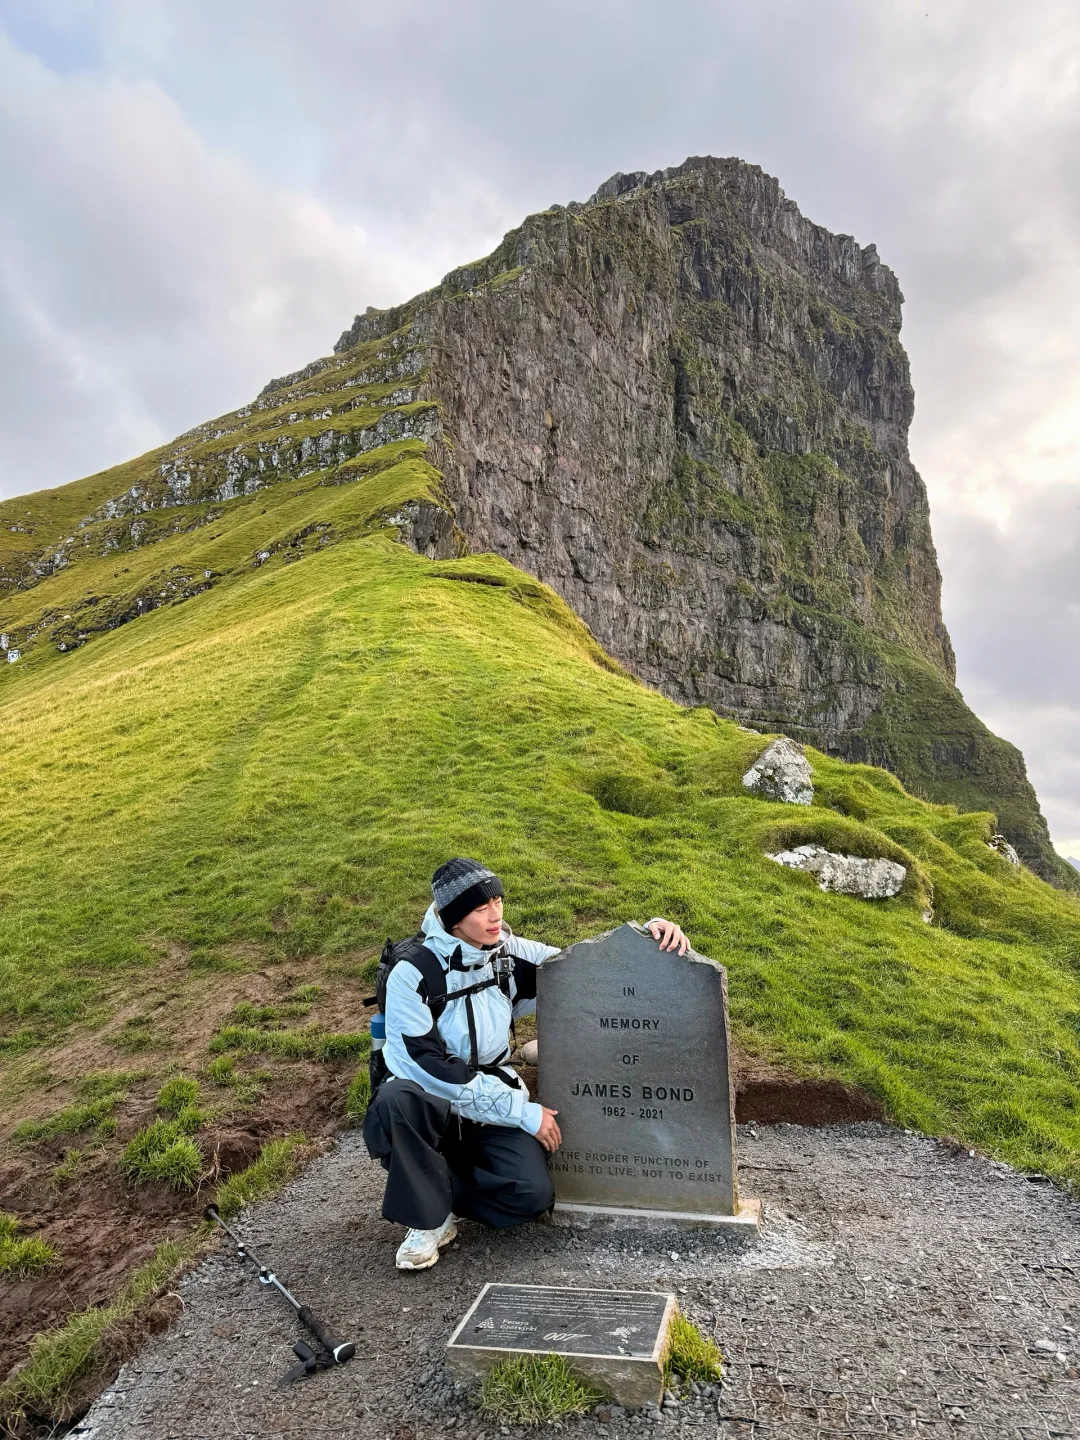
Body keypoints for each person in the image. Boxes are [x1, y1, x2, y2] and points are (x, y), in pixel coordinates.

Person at [362, 857, 688, 1270]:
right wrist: (520, 1111)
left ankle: (434, 1187)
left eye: (498, 901)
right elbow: (426, 1066)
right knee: (395, 1098)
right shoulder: (413, 972)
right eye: (481, 909)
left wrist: (650, 934)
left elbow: (588, 969)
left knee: (529, 1197)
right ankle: (429, 1218)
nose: (496, 915)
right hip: (428, 1101)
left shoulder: (508, 955)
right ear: (452, 918)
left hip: (490, 1092)